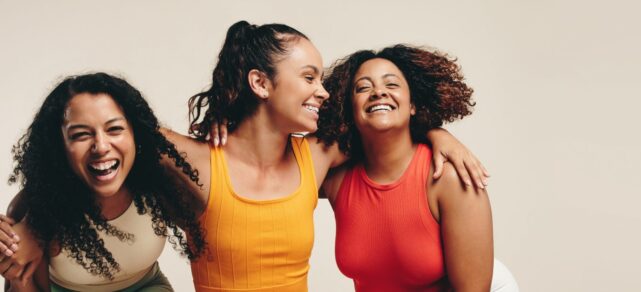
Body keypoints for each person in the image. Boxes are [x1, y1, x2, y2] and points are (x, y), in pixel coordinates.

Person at [1, 21, 487, 292]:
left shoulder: (317, 156)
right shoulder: (193, 161)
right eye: (310, 77)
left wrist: (439, 134)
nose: (323, 91)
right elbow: (97, 150)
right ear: (260, 83)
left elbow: (383, 122)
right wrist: (27, 222)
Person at [317, 44, 510, 291]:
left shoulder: (448, 178)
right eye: (363, 88)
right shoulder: (336, 180)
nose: (378, 92)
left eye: (392, 84)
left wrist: (436, 132)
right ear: (349, 111)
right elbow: (277, 159)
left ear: (413, 105)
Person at [0, 73, 206, 291]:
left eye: (114, 129)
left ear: (136, 134)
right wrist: (18, 277)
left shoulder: (158, 183)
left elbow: (221, 214)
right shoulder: (35, 207)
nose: (101, 146)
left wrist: (226, 132)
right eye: (80, 134)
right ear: (58, 144)